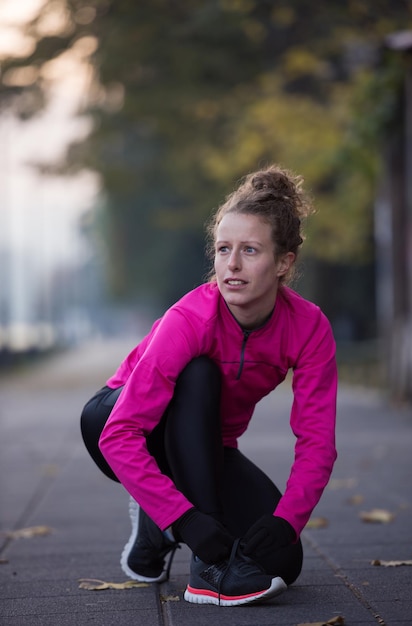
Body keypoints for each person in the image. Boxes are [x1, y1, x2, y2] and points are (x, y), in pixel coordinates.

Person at [80, 164, 338, 607]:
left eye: (251, 251)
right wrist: (189, 523)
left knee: (283, 561)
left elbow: (317, 443)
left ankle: (154, 524)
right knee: (199, 372)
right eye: (223, 249)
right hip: (117, 421)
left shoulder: (309, 327)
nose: (232, 265)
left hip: (205, 448)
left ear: (283, 262)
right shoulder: (190, 318)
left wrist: (287, 522)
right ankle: (206, 567)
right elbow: (119, 435)